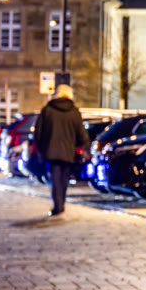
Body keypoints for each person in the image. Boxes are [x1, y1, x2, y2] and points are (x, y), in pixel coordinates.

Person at [33, 80, 88, 218]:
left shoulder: (48, 110)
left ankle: (58, 205)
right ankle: (60, 203)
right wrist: (85, 146)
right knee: (64, 178)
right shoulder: (74, 111)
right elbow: (81, 132)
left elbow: (38, 132)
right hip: (68, 151)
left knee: (55, 178)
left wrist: (41, 148)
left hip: (51, 151)